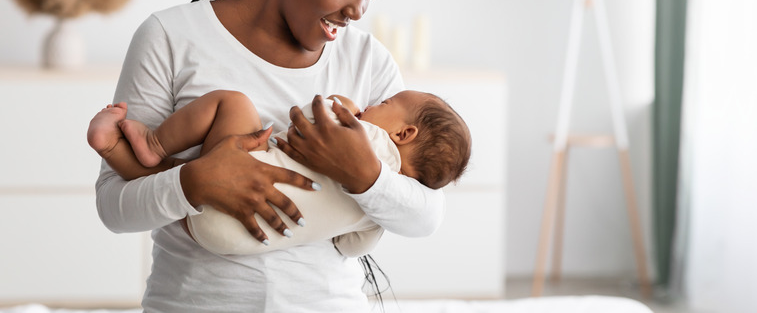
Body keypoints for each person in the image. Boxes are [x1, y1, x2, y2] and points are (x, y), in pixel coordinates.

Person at [94, 0, 448, 311]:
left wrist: (365, 177)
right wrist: (194, 181)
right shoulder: (172, 37)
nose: (357, 11)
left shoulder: (367, 61)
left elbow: (427, 213)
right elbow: (114, 207)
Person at [88, 90, 471, 256]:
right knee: (194, 174)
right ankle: (113, 147)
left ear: (404, 133)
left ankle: (152, 144)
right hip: (230, 241)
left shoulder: (365, 134)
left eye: (385, 102)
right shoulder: (379, 214)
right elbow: (350, 247)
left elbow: (304, 120)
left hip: (212, 204)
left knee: (233, 104)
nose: (374, 103)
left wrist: (340, 105)